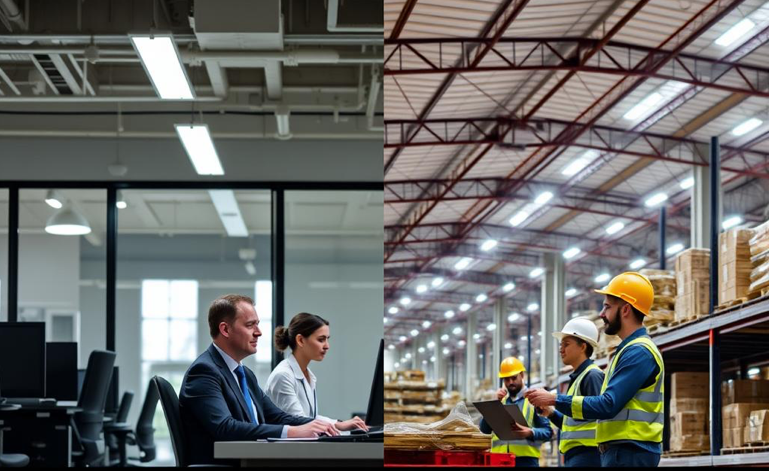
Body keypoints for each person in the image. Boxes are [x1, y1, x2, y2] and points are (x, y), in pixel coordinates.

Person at [179, 294, 340, 465]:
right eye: (250, 325)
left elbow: (278, 417)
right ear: (225, 330)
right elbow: (225, 427)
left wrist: (328, 426)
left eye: (257, 324)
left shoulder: (245, 374)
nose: (259, 332)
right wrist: (294, 432)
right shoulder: (204, 371)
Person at [525, 272, 664, 467]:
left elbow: (608, 405)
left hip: (630, 452)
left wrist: (554, 399)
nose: (601, 314)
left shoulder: (639, 352)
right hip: (622, 451)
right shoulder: (626, 351)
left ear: (625, 310)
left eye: (607, 306)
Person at [266, 312, 368, 432]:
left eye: (327, 339)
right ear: (300, 340)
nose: (327, 346)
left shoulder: (308, 375)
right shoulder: (283, 375)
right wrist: (335, 426)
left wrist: (339, 424)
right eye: (321, 340)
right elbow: (299, 421)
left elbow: (310, 418)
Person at [539, 317, 603, 467]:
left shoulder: (592, 376)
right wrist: (551, 413)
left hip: (589, 455)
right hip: (576, 455)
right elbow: (573, 425)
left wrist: (553, 399)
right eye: (561, 344)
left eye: (566, 344)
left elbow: (599, 418)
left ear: (583, 347)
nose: (561, 349)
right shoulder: (578, 378)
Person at [480, 357, 552, 467]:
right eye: (506, 379)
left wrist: (530, 432)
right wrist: (494, 404)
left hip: (525, 462)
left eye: (514, 378)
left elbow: (548, 432)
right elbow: (484, 430)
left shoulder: (534, 400)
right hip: (499, 460)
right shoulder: (500, 401)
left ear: (522, 375)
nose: (510, 382)